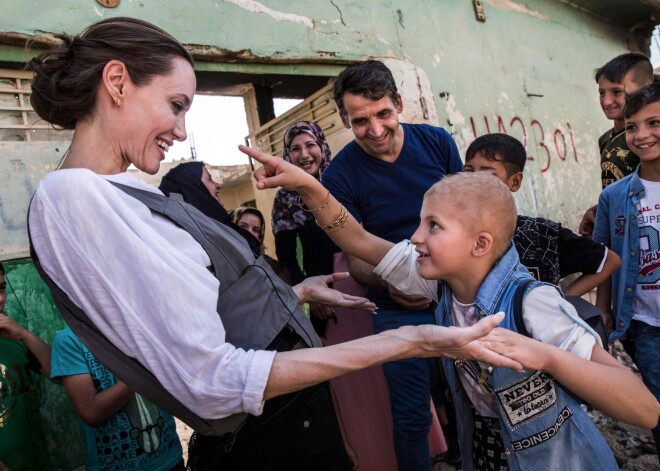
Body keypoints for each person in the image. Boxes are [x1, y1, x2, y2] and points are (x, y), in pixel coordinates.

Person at [26, 17, 519, 471]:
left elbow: (210, 308)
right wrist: (405, 340)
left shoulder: (125, 192)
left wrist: (295, 293)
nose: (180, 130)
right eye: (175, 106)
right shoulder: (73, 197)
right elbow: (211, 380)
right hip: (267, 435)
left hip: (291, 422)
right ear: (116, 83)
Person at [240, 145, 659, 469]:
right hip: (487, 447)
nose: (416, 237)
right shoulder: (437, 280)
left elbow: (644, 408)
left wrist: (545, 355)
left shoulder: (534, 303)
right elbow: (360, 241)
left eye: (433, 226)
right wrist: (310, 187)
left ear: (480, 245)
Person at [321, 59, 463, 471]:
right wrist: (392, 286)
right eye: (361, 121)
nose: (376, 130)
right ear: (345, 119)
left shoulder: (437, 143)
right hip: (395, 309)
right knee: (412, 416)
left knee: (478, 400)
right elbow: (357, 259)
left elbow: (470, 218)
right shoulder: (340, 175)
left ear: (399, 103)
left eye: (384, 114)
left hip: (459, 296)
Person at [464, 133, 621, 295]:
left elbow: (609, 261)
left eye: (488, 174)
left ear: (515, 182)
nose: (474, 180)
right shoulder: (456, 232)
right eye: (468, 171)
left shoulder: (540, 235)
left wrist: (561, 303)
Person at [594, 82, 660, 459]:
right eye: (632, 126)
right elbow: (605, 256)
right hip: (647, 324)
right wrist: (603, 307)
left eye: (654, 123)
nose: (642, 135)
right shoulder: (614, 196)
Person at [50, 326, 185, 470]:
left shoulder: (141, 325)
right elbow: (90, 412)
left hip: (170, 460)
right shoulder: (69, 340)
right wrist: (142, 372)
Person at [272, 121, 340, 333]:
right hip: (323, 294)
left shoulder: (341, 183)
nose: (304, 154)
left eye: (310, 145)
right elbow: (287, 258)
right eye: (295, 148)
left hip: (362, 282)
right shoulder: (284, 199)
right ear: (287, 155)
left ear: (322, 146)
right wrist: (312, 293)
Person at [579, 52, 653, 238]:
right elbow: (618, 186)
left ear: (645, 89)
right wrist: (599, 210)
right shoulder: (606, 139)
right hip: (619, 225)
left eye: (616, 92)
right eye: (601, 93)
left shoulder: (648, 140)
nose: (606, 101)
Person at [0, 262, 52, 471]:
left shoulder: (13, 339)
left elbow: (58, 372)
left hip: (35, 461)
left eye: (2, 288)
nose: (0, 299)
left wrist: (23, 334)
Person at [159, 161, 263, 256]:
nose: (218, 185)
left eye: (256, 230)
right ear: (194, 190)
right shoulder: (188, 242)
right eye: (209, 179)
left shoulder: (226, 233)